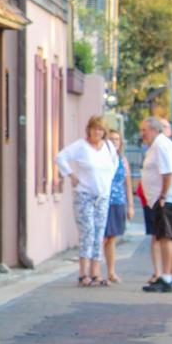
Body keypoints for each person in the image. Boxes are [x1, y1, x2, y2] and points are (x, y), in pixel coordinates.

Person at [55, 116, 119, 287]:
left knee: (99, 233)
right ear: (89, 130)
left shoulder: (108, 147)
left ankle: (95, 271)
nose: (97, 132)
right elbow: (60, 157)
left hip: (102, 196)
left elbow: (115, 164)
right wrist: (72, 176)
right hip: (84, 195)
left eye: (100, 129)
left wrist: (107, 183)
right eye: (94, 128)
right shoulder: (81, 146)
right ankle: (83, 272)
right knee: (87, 232)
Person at [139, 117, 172, 293]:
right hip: (167, 197)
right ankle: (171, 277)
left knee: (165, 238)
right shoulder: (160, 145)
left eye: (145, 130)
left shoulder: (160, 145)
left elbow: (167, 173)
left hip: (165, 198)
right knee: (169, 237)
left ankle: (166, 277)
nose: (143, 133)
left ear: (154, 130)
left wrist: (163, 195)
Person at [102, 130, 135, 283]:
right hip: (103, 201)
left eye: (117, 139)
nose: (114, 142)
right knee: (101, 237)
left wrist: (131, 205)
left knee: (112, 237)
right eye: (111, 139)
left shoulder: (123, 160)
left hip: (118, 201)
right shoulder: (102, 158)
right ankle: (95, 271)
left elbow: (128, 184)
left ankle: (111, 271)